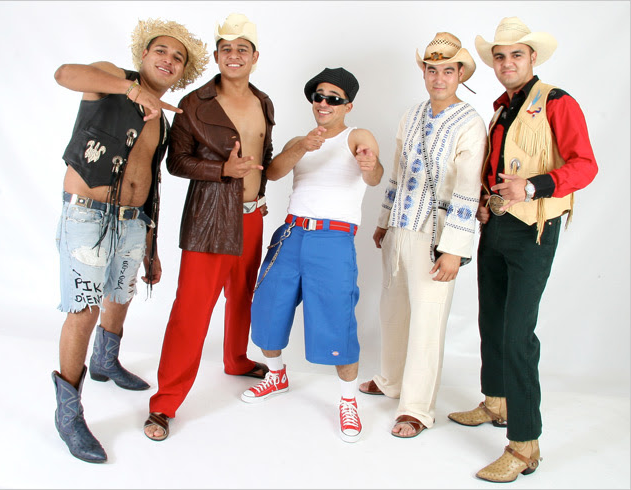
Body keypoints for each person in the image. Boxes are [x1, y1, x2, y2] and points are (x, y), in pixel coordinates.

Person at [446, 17, 598, 482]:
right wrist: (485, 200)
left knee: (517, 334)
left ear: (532, 57)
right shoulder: (499, 109)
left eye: (516, 54)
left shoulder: (556, 101)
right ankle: (496, 402)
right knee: (491, 319)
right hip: (496, 225)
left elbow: (585, 165)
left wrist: (531, 187)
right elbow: (495, 167)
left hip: (534, 230)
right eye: (499, 56)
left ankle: (525, 445)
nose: (507, 62)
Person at [52, 19, 208, 463]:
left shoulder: (164, 120)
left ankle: (106, 361)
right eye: (161, 51)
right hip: (89, 213)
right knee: (83, 310)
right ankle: (68, 414)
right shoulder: (109, 77)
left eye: (177, 58)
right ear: (144, 54)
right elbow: (64, 73)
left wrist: (151, 247)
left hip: (134, 221)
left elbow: (152, 180)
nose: (168, 60)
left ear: (182, 72)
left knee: (120, 295)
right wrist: (130, 89)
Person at [144, 13, 275, 441]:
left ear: (255, 56)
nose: (234, 55)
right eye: (226, 49)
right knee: (192, 310)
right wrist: (222, 170)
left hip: (253, 215)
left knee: (243, 296)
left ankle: (236, 359)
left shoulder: (264, 101)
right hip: (210, 221)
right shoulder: (195, 103)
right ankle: (164, 404)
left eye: (242, 49)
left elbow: (263, 155)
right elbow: (176, 162)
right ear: (217, 56)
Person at [240, 67, 383, 444]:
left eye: (334, 98)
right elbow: (273, 173)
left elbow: (373, 174)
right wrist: (302, 146)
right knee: (267, 307)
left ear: (347, 105)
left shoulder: (357, 136)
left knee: (337, 320)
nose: (324, 103)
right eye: (319, 96)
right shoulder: (299, 141)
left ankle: (348, 401)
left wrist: (370, 165)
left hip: (333, 240)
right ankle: (276, 375)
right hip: (291, 233)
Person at [358, 32, 487, 439]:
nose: (438, 78)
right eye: (431, 70)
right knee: (393, 309)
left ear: (460, 74)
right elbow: (398, 173)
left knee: (427, 321)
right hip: (400, 225)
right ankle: (391, 380)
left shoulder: (470, 123)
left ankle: (416, 408)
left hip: (436, 235)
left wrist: (454, 249)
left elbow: (467, 189)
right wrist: (383, 219)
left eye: (447, 70)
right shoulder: (411, 114)